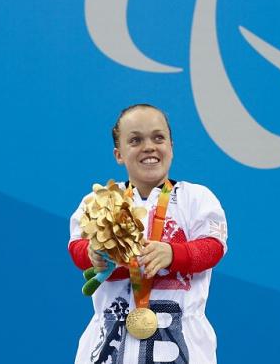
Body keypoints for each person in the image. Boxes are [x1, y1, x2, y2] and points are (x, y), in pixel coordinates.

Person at [68, 104, 228, 364]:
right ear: (119, 154)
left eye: (158, 137)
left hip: (182, 345)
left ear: (172, 146)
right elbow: (77, 247)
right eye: (135, 140)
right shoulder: (99, 202)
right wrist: (93, 256)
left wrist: (173, 253)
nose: (149, 146)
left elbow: (214, 247)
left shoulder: (196, 198)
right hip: (111, 342)